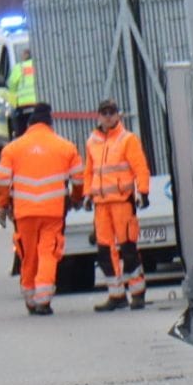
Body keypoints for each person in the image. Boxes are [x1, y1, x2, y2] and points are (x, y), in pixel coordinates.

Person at [0, 102, 83, 316]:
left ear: (29, 124)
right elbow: (78, 179)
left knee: (28, 254)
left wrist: (2, 205)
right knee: (48, 253)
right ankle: (44, 299)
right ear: (50, 124)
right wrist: (75, 199)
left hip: (24, 213)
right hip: (52, 212)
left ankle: (30, 297)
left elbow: (2, 180)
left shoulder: (13, 148)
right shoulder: (65, 146)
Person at [84, 99, 152, 311]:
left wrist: (143, 192)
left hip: (122, 201)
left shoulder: (127, 139)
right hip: (101, 204)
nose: (107, 116)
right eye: (104, 113)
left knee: (128, 249)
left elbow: (140, 167)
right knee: (105, 251)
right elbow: (89, 171)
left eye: (111, 112)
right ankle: (117, 294)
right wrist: (87, 194)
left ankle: (137, 293)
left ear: (118, 115)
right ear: (98, 116)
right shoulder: (92, 141)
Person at [6, 45, 37, 138]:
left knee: (22, 133)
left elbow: (11, 86)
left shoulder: (19, 67)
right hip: (38, 104)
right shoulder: (38, 65)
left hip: (23, 106)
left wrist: (13, 105)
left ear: (24, 56)